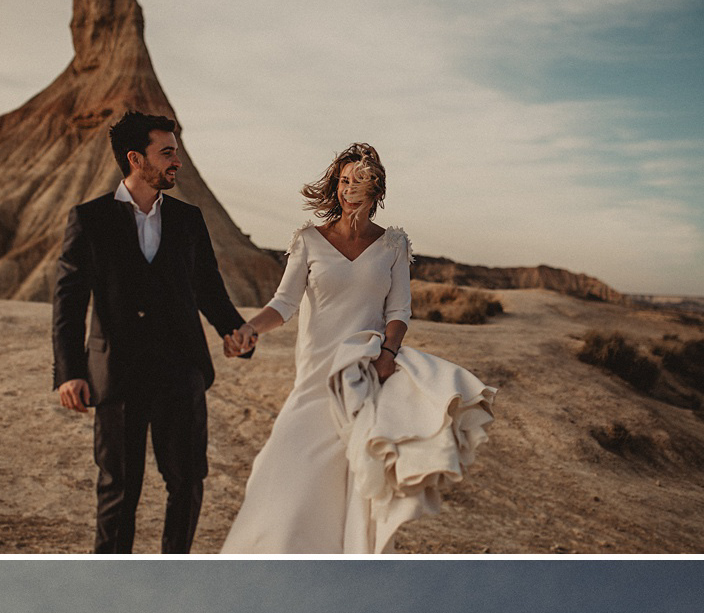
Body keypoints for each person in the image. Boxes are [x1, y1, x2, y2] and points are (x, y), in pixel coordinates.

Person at [220, 142, 494, 553]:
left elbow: (399, 310)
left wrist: (388, 355)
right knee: (280, 477)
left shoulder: (394, 245)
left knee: (351, 488)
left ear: (376, 191)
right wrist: (249, 328)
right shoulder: (308, 241)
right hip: (315, 379)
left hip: (365, 378)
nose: (349, 189)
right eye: (344, 180)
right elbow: (285, 303)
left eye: (359, 182)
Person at [51, 111, 258, 553]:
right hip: (116, 377)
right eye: (166, 153)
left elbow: (208, 289)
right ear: (135, 159)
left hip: (180, 374)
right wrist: (70, 372)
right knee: (117, 490)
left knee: (187, 485)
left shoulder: (189, 219)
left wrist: (235, 330)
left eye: (176, 153)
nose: (176, 162)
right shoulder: (90, 220)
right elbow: (68, 305)